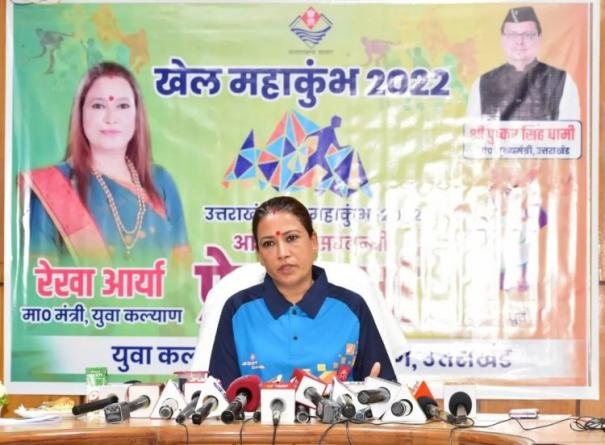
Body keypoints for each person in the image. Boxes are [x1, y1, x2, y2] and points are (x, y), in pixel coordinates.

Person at [208, 196, 396, 388]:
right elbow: (219, 397)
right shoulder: (238, 310)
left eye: (291, 238)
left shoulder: (352, 307)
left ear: (313, 242)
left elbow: (385, 391)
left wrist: (373, 396)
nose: (282, 253)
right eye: (269, 243)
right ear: (259, 255)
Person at [20, 61, 190, 265]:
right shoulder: (53, 187)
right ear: (81, 113)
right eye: (98, 106)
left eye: (123, 106)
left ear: (137, 116)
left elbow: (182, 274)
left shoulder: (161, 181)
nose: (111, 118)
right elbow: (37, 276)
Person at [466, 6, 580, 121]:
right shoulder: (483, 83)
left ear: (539, 38)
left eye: (528, 35)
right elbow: (472, 130)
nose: (519, 42)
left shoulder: (561, 81)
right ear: (502, 39)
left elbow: (571, 129)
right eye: (512, 35)